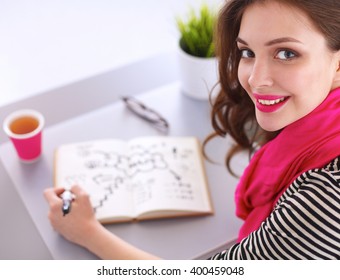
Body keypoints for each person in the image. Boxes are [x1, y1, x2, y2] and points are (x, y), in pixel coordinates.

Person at [44, 0, 340, 260]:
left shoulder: (325, 199)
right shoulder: (317, 112)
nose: (255, 80)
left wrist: (86, 232)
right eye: (247, 52)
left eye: (286, 53)